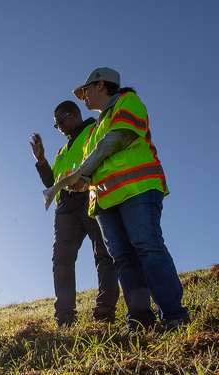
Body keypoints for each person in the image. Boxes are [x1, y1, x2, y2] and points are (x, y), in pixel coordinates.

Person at [70, 67, 190, 332]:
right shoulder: (92, 132)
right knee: (123, 258)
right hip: (104, 200)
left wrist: (84, 171)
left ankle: (174, 315)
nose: (83, 97)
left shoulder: (127, 102)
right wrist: (81, 181)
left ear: (101, 85)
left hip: (137, 188)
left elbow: (117, 139)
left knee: (147, 246)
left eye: (86, 90)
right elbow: (95, 165)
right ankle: (139, 319)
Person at [30, 101, 119, 327]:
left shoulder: (93, 130)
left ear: (76, 114)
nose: (59, 125)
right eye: (56, 123)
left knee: (103, 253)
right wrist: (41, 160)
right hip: (65, 208)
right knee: (61, 259)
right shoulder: (62, 151)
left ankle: (105, 309)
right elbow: (52, 182)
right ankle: (65, 317)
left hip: (89, 196)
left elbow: (105, 156)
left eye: (62, 120)